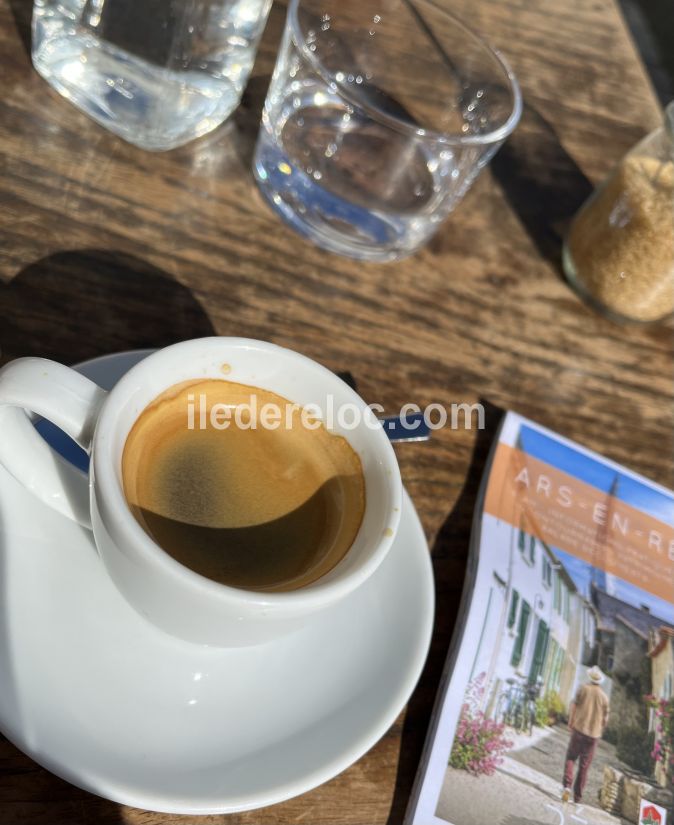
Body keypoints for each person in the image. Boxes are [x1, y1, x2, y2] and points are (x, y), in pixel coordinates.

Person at [562, 666, 610, 804]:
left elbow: (573, 706)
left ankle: (567, 786)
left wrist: (571, 722)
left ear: (590, 678)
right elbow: (605, 720)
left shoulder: (582, 689)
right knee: (584, 766)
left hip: (579, 730)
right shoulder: (604, 698)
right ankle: (577, 797)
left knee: (571, 758)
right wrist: (598, 729)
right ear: (600, 681)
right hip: (593, 736)